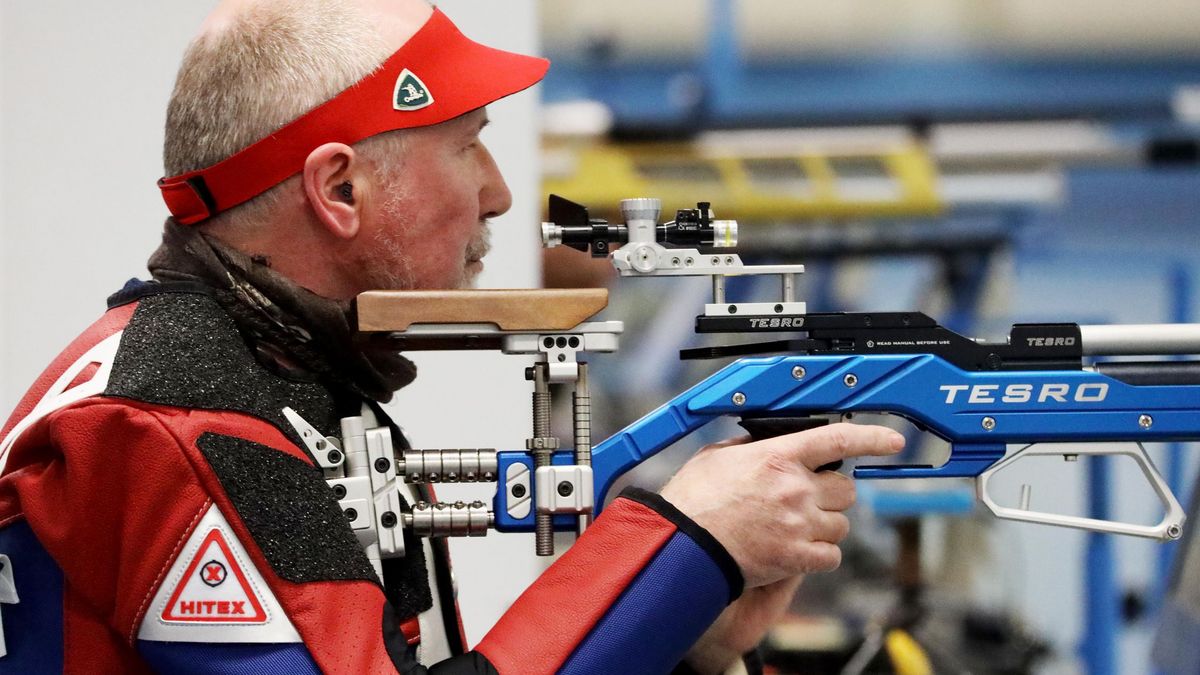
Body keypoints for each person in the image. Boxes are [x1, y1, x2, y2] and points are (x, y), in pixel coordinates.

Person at [0, 1, 903, 673]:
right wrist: (681, 543)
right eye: (469, 141)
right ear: (339, 190)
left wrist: (679, 629)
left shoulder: (273, 385)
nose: (500, 192)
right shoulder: (181, 416)